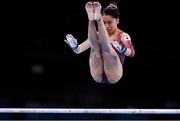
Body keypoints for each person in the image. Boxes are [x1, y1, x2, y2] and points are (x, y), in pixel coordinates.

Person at [64, 1, 135, 84]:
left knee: (107, 49)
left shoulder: (123, 36)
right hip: (97, 73)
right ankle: (91, 20)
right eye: (104, 23)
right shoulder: (95, 35)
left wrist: (122, 49)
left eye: (110, 22)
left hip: (114, 73)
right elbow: (78, 50)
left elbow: (132, 53)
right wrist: (74, 46)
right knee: (95, 47)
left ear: (117, 20)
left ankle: (98, 20)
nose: (107, 26)